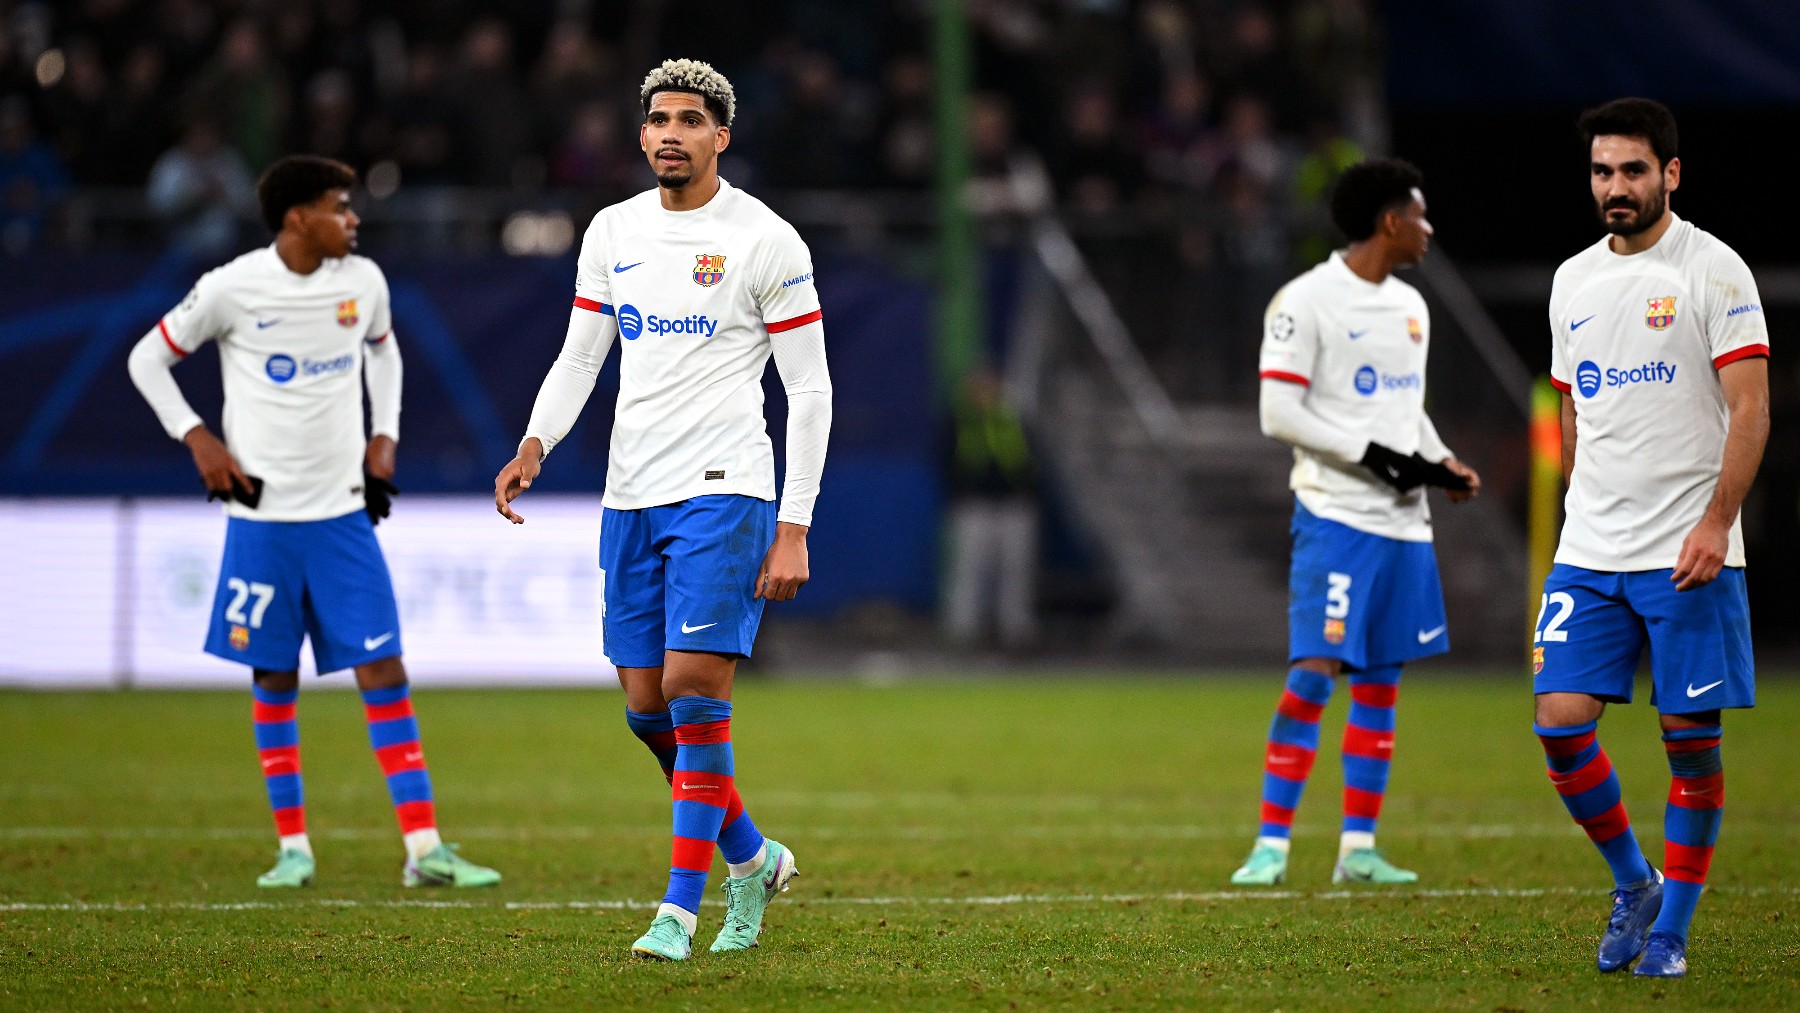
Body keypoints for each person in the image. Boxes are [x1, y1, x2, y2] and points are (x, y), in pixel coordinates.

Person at [492, 58, 831, 961]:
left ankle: (680, 911)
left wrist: (793, 523)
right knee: (646, 707)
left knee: (691, 691)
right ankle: (752, 856)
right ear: (640, 136)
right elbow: (579, 357)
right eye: (658, 120)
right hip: (631, 491)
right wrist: (535, 442)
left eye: (690, 119)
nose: (670, 133)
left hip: (727, 491)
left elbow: (810, 392)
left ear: (723, 135)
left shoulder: (767, 241)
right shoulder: (611, 231)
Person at [126, 155, 500, 891]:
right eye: (339, 206)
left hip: (341, 517)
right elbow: (147, 359)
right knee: (273, 673)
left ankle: (424, 848)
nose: (353, 219)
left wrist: (384, 433)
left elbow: (384, 354)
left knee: (384, 667)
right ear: (298, 218)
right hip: (262, 518)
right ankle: (293, 847)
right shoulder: (232, 287)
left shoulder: (363, 284)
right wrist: (198, 437)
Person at [1533, 98, 1768, 979]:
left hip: (1687, 552)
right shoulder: (1571, 280)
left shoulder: (1715, 270)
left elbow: (1751, 408)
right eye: (1602, 172)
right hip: (1591, 549)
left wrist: (1716, 523)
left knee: (1689, 741)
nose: (1616, 188)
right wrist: (1576, 501)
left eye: (1634, 171)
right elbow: (1573, 405)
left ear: (1670, 173)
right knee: (1558, 723)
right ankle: (1635, 882)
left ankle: (1670, 931)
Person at [1230, 159, 1481, 888]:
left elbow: (1404, 409)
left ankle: (1357, 849)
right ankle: (1271, 845)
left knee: (1379, 682)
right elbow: (1278, 413)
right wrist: (1372, 457)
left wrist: (1441, 460)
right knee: (1313, 675)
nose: (1430, 230)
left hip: (1405, 524)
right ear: (1390, 222)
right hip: (1336, 516)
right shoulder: (1304, 301)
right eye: (1422, 216)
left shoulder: (1412, 308)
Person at [940, 367, 1039, 650]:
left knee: (1016, 571)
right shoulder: (959, 420)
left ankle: (1016, 632)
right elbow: (946, 460)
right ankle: (963, 632)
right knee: (969, 570)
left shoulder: (1014, 418)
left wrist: (1027, 491)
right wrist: (958, 494)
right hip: (973, 505)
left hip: (1014, 504)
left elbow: (1029, 458)